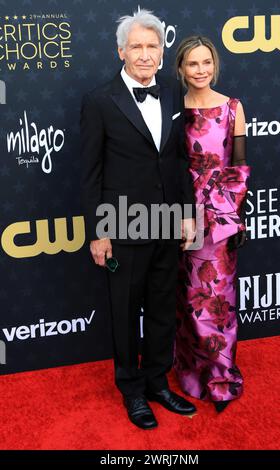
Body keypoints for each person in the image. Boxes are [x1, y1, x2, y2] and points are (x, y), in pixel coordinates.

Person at [80, 10, 197, 430]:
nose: (145, 55)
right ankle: (132, 391)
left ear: (162, 53)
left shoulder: (170, 92)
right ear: (121, 51)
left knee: (164, 308)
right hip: (123, 224)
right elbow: (91, 172)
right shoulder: (98, 101)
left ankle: (157, 382)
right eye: (137, 47)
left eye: (153, 47)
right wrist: (98, 233)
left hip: (167, 221)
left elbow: (179, 160)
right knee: (125, 312)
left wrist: (186, 215)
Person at [174, 36, 250, 413]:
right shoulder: (174, 109)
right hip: (183, 214)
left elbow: (238, 170)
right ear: (181, 69)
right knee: (189, 298)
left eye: (206, 63)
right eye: (193, 64)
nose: (201, 70)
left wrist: (237, 219)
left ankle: (220, 375)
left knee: (220, 298)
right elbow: (171, 167)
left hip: (221, 216)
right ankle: (192, 371)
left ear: (214, 65)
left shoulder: (234, 107)